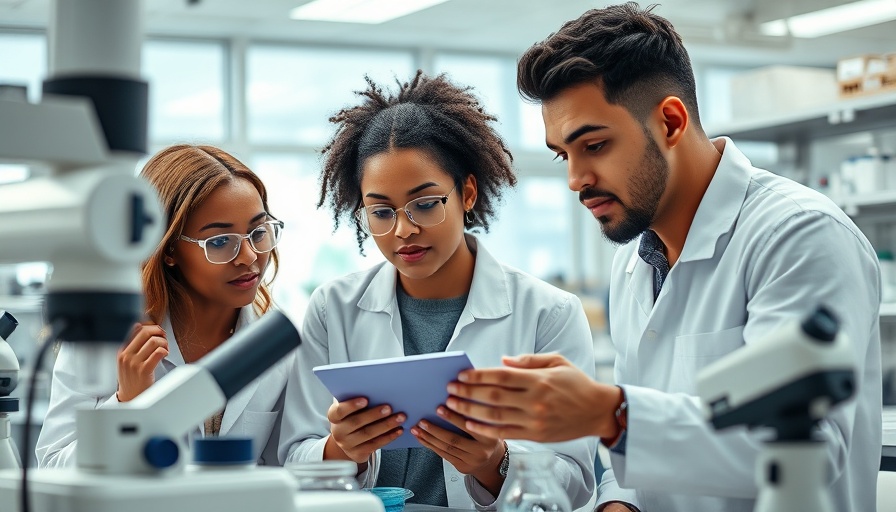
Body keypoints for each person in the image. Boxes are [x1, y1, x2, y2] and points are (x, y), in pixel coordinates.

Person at [443, 3, 882, 512]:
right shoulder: (635, 262)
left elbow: (808, 450)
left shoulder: (799, 234)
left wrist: (608, 414)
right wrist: (619, 503)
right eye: (565, 154)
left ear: (671, 121)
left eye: (596, 144)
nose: (575, 180)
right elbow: (638, 460)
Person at [278, 71, 597, 510]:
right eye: (381, 212)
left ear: (467, 192)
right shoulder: (333, 308)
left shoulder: (549, 313)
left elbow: (577, 480)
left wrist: (495, 462)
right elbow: (293, 458)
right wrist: (339, 451)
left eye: (425, 204)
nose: (404, 230)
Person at [36, 144, 292, 468]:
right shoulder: (106, 334)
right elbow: (53, 465)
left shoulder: (279, 344)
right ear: (168, 248)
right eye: (219, 241)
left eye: (258, 232)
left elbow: (288, 468)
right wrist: (128, 405)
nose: (250, 257)